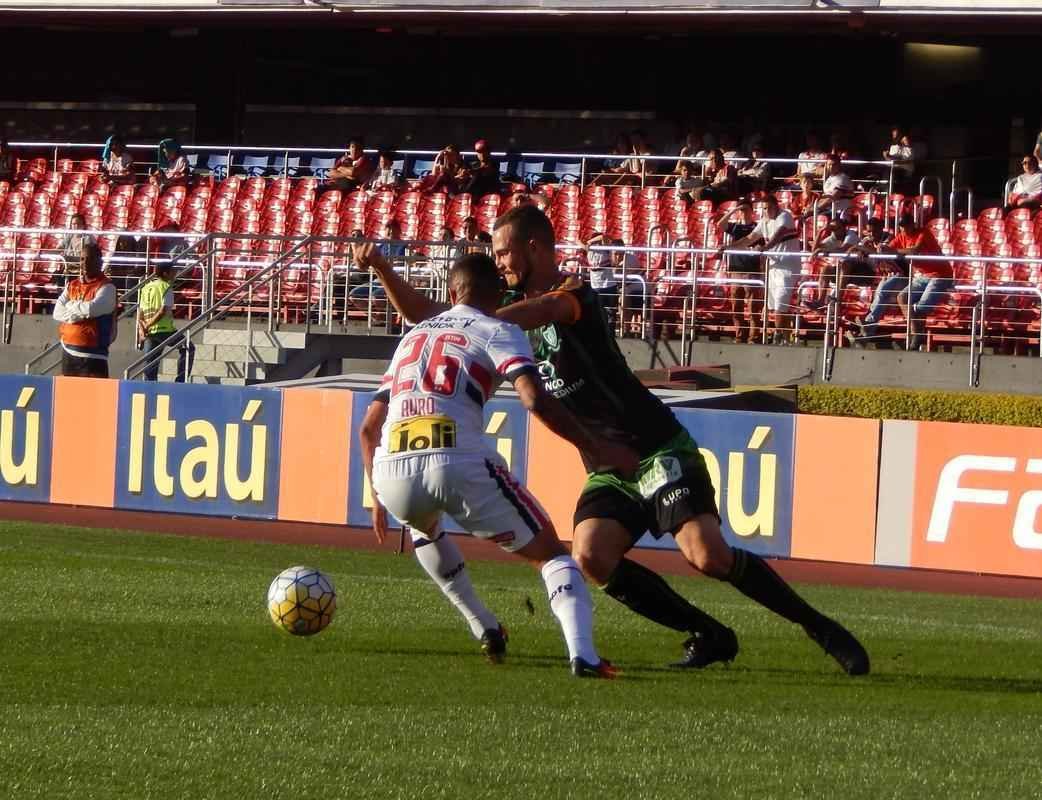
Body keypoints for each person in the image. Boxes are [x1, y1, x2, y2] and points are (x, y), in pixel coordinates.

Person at [357, 205, 869, 676]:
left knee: (707, 555)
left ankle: (817, 625)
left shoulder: (575, 295)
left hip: (655, 447)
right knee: (590, 556)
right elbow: (435, 318)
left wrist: (468, 320)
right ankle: (708, 633)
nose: (501, 263)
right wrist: (384, 269)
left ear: (534, 247)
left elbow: (529, 312)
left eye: (505, 252)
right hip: (607, 465)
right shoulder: (501, 309)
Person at [358, 252, 638, 677]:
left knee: (423, 528)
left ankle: (484, 626)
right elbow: (534, 398)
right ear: (499, 293)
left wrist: (377, 496)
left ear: (452, 291)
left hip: (391, 467)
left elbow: (368, 428)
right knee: (552, 556)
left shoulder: (411, 338)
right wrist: (595, 446)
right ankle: (584, 655)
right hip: (456, 457)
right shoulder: (499, 329)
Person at [853, 215, 951, 350]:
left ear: (913, 225)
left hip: (940, 275)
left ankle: (915, 335)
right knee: (902, 297)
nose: (904, 229)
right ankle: (915, 335)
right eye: (902, 226)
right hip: (923, 275)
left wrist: (891, 250)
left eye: (907, 226)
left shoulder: (923, 233)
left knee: (920, 308)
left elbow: (914, 251)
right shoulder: (900, 236)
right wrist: (862, 249)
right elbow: (884, 251)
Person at [724, 194, 803, 344]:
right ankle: (787, 339)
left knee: (780, 306)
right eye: (764, 209)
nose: (766, 211)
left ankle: (778, 337)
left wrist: (764, 247)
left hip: (787, 267)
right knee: (778, 307)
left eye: (768, 208)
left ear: (776, 206)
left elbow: (777, 236)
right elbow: (749, 238)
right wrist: (728, 247)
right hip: (772, 267)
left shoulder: (785, 216)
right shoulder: (764, 221)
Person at [52, 243, 117, 378]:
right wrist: (79, 314)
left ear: (100, 262)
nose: (85, 263)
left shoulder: (107, 287)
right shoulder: (72, 285)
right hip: (68, 353)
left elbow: (91, 309)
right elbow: (57, 312)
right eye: (82, 259)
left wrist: (70, 305)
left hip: (93, 356)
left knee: (93, 392)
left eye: (90, 258)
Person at [137, 261, 194, 383]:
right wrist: (147, 325)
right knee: (189, 348)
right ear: (165, 273)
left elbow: (140, 313)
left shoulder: (146, 287)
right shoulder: (166, 287)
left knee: (151, 363)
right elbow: (163, 311)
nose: (175, 273)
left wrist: (142, 329)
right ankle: (180, 381)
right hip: (165, 330)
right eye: (173, 271)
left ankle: (149, 388)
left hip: (149, 332)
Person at [716, 201, 762, 343]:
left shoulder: (757, 227)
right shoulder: (735, 227)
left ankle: (753, 337)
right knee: (736, 306)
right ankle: (739, 335)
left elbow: (761, 244)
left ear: (752, 211)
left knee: (753, 307)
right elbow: (720, 224)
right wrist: (733, 210)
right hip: (736, 270)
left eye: (746, 209)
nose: (743, 212)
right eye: (742, 210)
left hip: (751, 270)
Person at [56, 214, 97, 288]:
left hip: (82, 269)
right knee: (57, 275)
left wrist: (68, 258)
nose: (76, 226)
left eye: (79, 224)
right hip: (68, 268)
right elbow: (59, 248)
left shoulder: (88, 238)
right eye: (74, 224)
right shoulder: (69, 236)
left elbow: (87, 257)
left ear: (83, 225)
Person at [815, 154, 854, 218]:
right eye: (829, 164)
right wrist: (811, 207)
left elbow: (832, 197)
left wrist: (816, 209)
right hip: (830, 210)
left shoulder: (843, 178)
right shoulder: (829, 179)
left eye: (834, 164)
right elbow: (824, 197)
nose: (831, 167)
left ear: (839, 165)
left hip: (841, 212)